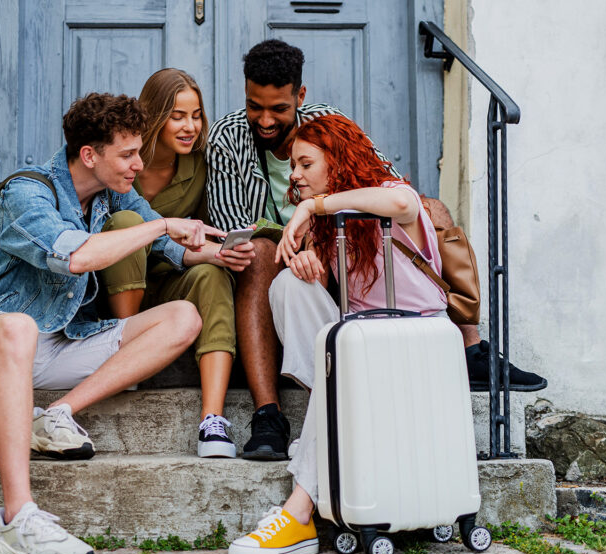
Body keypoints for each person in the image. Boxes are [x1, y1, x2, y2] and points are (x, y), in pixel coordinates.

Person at [207, 41, 544, 462]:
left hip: (340, 237)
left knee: (431, 207)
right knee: (263, 255)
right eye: (255, 106)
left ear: (300, 96)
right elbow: (234, 225)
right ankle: (270, 413)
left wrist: (315, 209)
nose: (265, 118)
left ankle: (469, 345)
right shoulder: (227, 137)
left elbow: (388, 185)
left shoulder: (329, 127)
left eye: (278, 107)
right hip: (277, 249)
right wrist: (297, 235)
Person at [0, 93, 225, 554]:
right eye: (128, 153)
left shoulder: (115, 190)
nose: (139, 163)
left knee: (183, 317)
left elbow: (170, 247)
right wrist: (158, 229)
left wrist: (219, 253)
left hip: (60, 344)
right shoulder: (26, 194)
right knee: (19, 329)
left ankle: (56, 415)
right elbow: (74, 256)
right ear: (90, 155)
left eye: (139, 151)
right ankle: (18, 520)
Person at [227, 114, 449, 554]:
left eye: (306, 164)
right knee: (288, 285)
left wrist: (314, 207)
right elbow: (337, 289)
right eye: (293, 166)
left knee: (349, 359)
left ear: (338, 162)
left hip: (412, 345)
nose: (294, 175)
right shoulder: (332, 230)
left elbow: (406, 203)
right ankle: (335, 422)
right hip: (359, 349)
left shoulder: (388, 196)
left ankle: (299, 514)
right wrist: (310, 263)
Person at [99, 68, 255, 458]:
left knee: (210, 272)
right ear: (153, 117)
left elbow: (203, 231)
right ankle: (125, 356)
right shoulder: (120, 160)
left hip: (172, 288)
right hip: (114, 289)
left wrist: (220, 249)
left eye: (196, 115)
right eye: (177, 116)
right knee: (128, 224)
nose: (190, 126)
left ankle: (212, 419)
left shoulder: (201, 164)